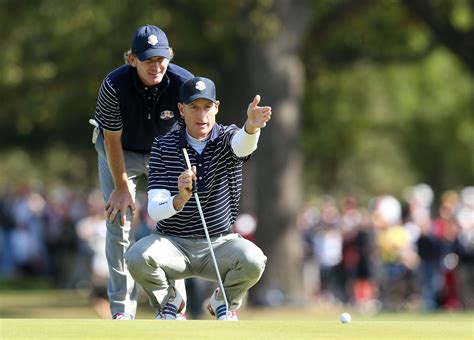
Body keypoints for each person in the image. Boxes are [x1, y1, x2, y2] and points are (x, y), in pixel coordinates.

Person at [124, 76, 270, 320]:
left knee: (253, 259)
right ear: (181, 109)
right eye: (194, 107)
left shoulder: (226, 137)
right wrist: (179, 199)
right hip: (173, 244)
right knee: (137, 256)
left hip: (219, 244)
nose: (201, 114)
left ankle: (222, 302)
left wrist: (252, 127)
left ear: (216, 108)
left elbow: (242, 146)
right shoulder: (164, 145)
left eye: (207, 107)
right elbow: (155, 209)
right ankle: (171, 302)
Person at [91, 24, 193, 320]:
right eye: (148, 60)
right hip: (120, 151)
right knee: (119, 221)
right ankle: (123, 311)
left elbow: (198, 131)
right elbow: (112, 140)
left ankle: (172, 306)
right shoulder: (114, 85)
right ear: (131, 59)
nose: (156, 65)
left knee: (174, 219)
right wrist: (121, 188)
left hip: (164, 150)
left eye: (161, 58)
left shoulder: (183, 83)